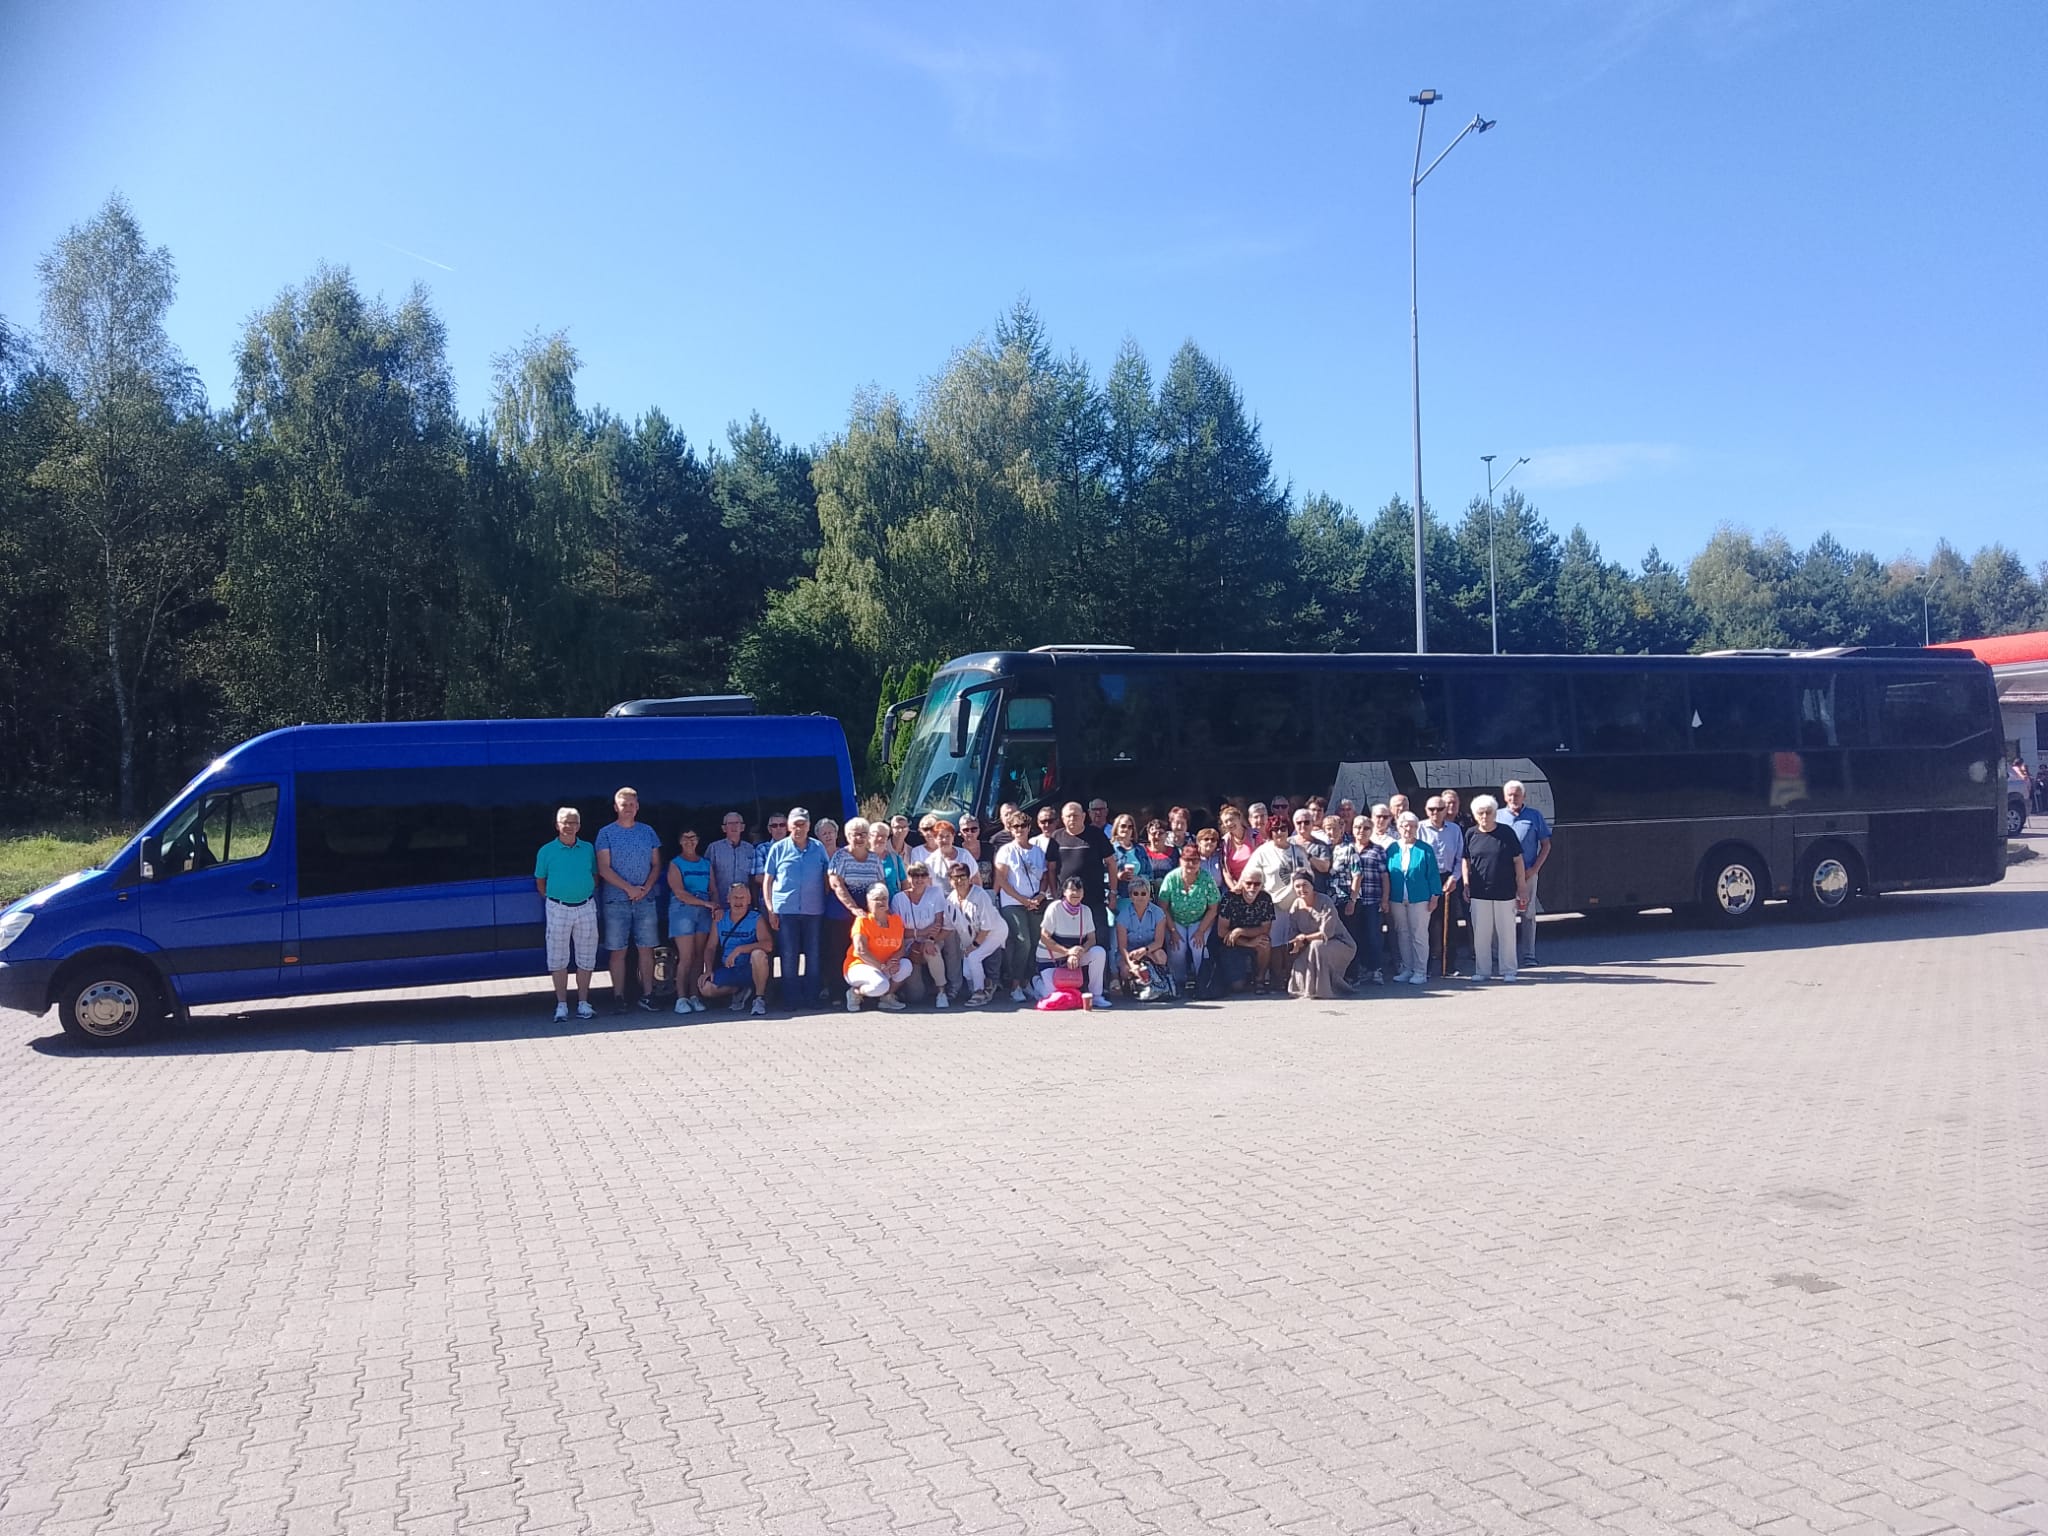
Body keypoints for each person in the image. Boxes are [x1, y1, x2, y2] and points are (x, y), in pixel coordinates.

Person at [596, 787, 663, 1013]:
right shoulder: (605, 833)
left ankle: (648, 995)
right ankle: (618, 997)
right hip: (616, 901)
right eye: (624, 805)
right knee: (618, 950)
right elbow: (603, 868)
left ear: (638, 806)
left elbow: (656, 865)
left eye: (632, 804)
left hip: (646, 899)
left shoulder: (648, 832)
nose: (628, 808)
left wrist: (645, 888)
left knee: (647, 948)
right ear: (616, 807)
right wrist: (629, 889)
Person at [759, 807, 830, 1008]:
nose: (798, 828)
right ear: (789, 826)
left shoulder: (818, 848)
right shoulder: (778, 848)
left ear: (808, 826)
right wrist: (771, 909)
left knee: (813, 954)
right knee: (788, 955)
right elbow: (768, 881)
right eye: (795, 824)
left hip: (814, 910)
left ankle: (812, 998)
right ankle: (790, 999)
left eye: (802, 824)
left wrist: (825, 898)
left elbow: (826, 876)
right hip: (785, 910)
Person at [535, 807, 598, 1022]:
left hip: (586, 906)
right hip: (558, 908)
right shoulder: (546, 851)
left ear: (579, 826)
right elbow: (540, 881)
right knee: (558, 956)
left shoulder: (588, 848)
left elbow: (594, 875)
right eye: (565, 822)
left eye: (573, 822)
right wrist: (554, 899)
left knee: (586, 956)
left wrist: (584, 890)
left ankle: (583, 1003)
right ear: (557, 825)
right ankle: (561, 1005)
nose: (569, 826)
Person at [1463, 794, 1530, 983]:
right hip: (1479, 893)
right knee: (1481, 934)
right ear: (1475, 815)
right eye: (1480, 813)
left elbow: (1518, 860)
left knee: (1506, 932)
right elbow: (1466, 861)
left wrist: (1522, 886)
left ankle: (1508, 970)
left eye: (1488, 812)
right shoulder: (1470, 834)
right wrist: (1466, 884)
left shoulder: (1506, 832)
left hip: (1505, 892)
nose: (1484, 816)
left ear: (1494, 813)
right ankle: (1482, 970)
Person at [993, 810, 1048, 1003]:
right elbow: (1002, 879)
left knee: (1035, 942)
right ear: (1010, 828)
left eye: (1023, 826)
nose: (1019, 830)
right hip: (1013, 902)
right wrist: (1022, 899)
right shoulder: (1005, 850)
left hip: (1035, 902)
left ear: (1028, 828)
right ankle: (1015, 984)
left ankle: (1027, 981)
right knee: (1022, 941)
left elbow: (1045, 877)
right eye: (1015, 826)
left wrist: (1040, 896)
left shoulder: (1038, 851)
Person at [828, 817, 888, 989]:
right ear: (848, 836)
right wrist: (854, 909)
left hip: (868, 909)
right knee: (839, 952)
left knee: (867, 950)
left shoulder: (874, 858)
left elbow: (880, 885)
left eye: (863, 834)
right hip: (841, 911)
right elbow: (836, 884)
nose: (860, 838)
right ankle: (838, 992)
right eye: (855, 834)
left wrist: (882, 910)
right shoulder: (840, 856)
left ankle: (866, 989)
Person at [1036, 875, 1110, 1008]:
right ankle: (1036, 982)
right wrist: (1068, 952)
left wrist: (1078, 952)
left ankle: (1096, 995)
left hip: (1073, 959)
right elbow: (1044, 938)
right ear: (1064, 892)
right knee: (1054, 997)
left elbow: (1092, 939)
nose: (1076, 893)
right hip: (1050, 959)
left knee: (1099, 952)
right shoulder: (1055, 908)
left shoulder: (1086, 910)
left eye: (1079, 890)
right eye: (1072, 890)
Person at [1501, 780, 1553, 967]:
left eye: (1517, 795)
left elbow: (1546, 845)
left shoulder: (1534, 816)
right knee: (1502, 916)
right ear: (1505, 797)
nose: (1513, 798)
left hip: (1528, 874)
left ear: (1524, 796)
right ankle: (1502, 955)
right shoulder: (1497, 817)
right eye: (1510, 795)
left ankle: (1529, 954)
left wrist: (1535, 869)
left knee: (1528, 915)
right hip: (1503, 876)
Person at [1043, 801, 1116, 933]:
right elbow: (1051, 869)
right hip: (1066, 901)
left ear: (1083, 816)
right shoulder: (1055, 837)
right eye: (1068, 816)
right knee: (1067, 938)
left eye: (1075, 816)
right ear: (1063, 819)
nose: (1072, 819)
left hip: (1094, 899)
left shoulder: (1096, 834)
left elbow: (1111, 863)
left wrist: (1113, 892)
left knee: (1100, 939)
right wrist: (1054, 894)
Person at [1385, 812, 1440, 986]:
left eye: (1411, 825)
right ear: (1398, 827)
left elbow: (1433, 874)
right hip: (1397, 898)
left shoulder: (1425, 848)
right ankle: (1407, 969)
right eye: (1404, 825)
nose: (1408, 829)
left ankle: (1420, 971)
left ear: (1416, 828)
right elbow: (1387, 873)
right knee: (1402, 933)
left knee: (1419, 935)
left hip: (1420, 898)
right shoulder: (1392, 848)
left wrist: (1435, 895)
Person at [665, 828, 717, 1014]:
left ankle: (695, 995)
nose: (689, 841)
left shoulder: (705, 863)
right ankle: (681, 998)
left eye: (693, 837)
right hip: (683, 910)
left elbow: (713, 888)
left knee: (699, 956)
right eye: (685, 838)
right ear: (680, 841)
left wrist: (715, 906)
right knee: (685, 956)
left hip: (704, 911)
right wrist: (705, 903)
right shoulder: (675, 864)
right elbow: (679, 892)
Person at [1283, 868, 1356, 1000]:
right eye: (1297, 886)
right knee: (1301, 958)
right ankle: (1305, 990)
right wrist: (1295, 944)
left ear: (1312, 885)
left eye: (1305, 885)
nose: (1301, 889)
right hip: (1309, 945)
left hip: (1339, 942)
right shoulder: (1296, 905)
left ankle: (1326, 990)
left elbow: (1327, 932)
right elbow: (1293, 933)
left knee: (1317, 946)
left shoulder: (1325, 901)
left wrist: (1304, 938)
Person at [699, 883, 771, 1015]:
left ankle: (759, 998)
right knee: (706, 988)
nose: (739, 902)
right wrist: (708, 969)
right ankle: (738, 990)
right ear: (728, 899)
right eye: (735, 898)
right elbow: (710, 947)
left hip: (749, 968)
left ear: (749, 900)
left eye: (742, 898)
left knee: (758, 954)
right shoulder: (720, 919)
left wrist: (741, 949)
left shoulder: (756, 918)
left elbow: (768, 945)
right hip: (729, 968)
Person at [1157, 841, 1220, 992]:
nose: (1191, 864)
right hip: (1174, 920)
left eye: (1195, 860)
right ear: (1180, 861)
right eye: (1187, 860)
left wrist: (1200, 931)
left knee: (1197, 946)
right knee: (1177, 948)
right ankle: (1178, 982)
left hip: (1200, 920)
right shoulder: (1171, 878)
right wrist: (1172, 931)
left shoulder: (1206, 878)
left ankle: (1202, 982)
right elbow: (1162, 907)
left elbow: (1213, 908)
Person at [1331, 815, 1386, 985]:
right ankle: (1360, 968)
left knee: (1372, 935)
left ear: (1371, 830)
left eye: (1366, 828)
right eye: (1357, 828)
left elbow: (1385, 876)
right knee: (1357, 935)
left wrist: (1385, 899)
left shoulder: (1377, 850)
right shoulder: (1344, 848)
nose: (1361, 831)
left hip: (1370, 898)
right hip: (1351, 900)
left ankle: (1375, 969)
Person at [943, 862, 1006, 1004]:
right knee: (967, 972)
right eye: (955, 877)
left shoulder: (980, 895)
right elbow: (947, 928)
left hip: (995, 932)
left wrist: (973, 946)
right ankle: (986, 985)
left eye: (963, 876)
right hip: (975, 937)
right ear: (950, 881)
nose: (959, 880)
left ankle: (980, 993)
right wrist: (931, 940)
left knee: (973, 957)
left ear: (969, 878)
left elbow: (986, 928)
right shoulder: (950, 900)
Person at [844, 882, 910, 1012]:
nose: (881, 902)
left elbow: (901, 948)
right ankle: (856, 993)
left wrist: (894, 961)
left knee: (906, 965)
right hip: (860, 965)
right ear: (868, 902)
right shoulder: (862, 921)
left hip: (884, 966)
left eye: (884, 898)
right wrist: (882, 967)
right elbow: (861, 951)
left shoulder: (896, 920)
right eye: (876, 899)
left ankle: (886, 998)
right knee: (880, 985)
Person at [890, 865, 951, 1005]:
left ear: (927, 877)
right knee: (915, 996)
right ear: (908, 877)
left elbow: (938, 922)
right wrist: (921, 932)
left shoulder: (935, 892)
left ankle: (942, 992)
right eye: (914, 875)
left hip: (931, 940)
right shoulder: (898, 899)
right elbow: (898, 931)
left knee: (932, 952)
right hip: (908, 943)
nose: (919, 879)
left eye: (923, 875)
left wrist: (929, 939)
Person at [1420, 796, 1466, 979]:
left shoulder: (1454, 830)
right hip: (1427, 879)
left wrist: (1454, 878)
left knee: (1450, 923)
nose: (1435, 813)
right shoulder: (1420, 828)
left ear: (1445, 810)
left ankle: (1449, 964)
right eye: (1431, 809)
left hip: (1448, 878)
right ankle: (1427, 965)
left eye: (1439, 809)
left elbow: (1460, 857)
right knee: (1428, 924)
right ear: (1426, 810)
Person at [1216, 869, 1279, 993]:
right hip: (1231, 943)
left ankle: (1259, 979)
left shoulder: (1265, 898)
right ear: (1242, 883)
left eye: (1257, 884)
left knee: (1264, 942)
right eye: (1248, 883)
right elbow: (1222, 932)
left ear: (1262, 885)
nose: (1252, 887)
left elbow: (1265, 929)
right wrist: (1248, 943)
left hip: (1250, 937)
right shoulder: (1230, 898)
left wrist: (1241, 931)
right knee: (1237, 987)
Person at [1114, 877, 1174, 1000]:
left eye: (1143, 893)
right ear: (1131, 896)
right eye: (1136, 893)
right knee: (1126, 970)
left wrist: (1144, 951)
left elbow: (1158, 942)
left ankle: (1159, 985)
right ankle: (1133, 988)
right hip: (1129, 953)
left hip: (1150, 950)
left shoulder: (1158, 913)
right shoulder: (1123, 915)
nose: (1140, 897)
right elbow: (1122, 947)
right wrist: (1131, 964)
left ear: (1149, 895)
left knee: (1161, 956)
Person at [707, 812, 754, 910]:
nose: (734, 826)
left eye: (737, 823)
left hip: (744, 905)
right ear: (724, 828)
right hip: (720, 903)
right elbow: (707, 877)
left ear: (742, 827)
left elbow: (753, 879)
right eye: (730, 823)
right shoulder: (714, 848)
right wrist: (714, 902)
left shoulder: (750, 849)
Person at [910, 818, 977, 886]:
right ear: (935, 839)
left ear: (953, 837)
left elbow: (976, 879)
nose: (944, 840)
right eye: (941, 837)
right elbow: (928, 887)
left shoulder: (965, 855)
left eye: (948, 836)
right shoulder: (930, 862)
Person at [749, 811, 789, 903]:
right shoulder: (761, 849)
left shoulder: (797, 848)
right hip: (769, 901)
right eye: (774, 826)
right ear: (769, 829)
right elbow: (758, 877)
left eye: (782, 825)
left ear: (787, 828)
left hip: (794, 902)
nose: (778, 828)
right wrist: (783, 886)